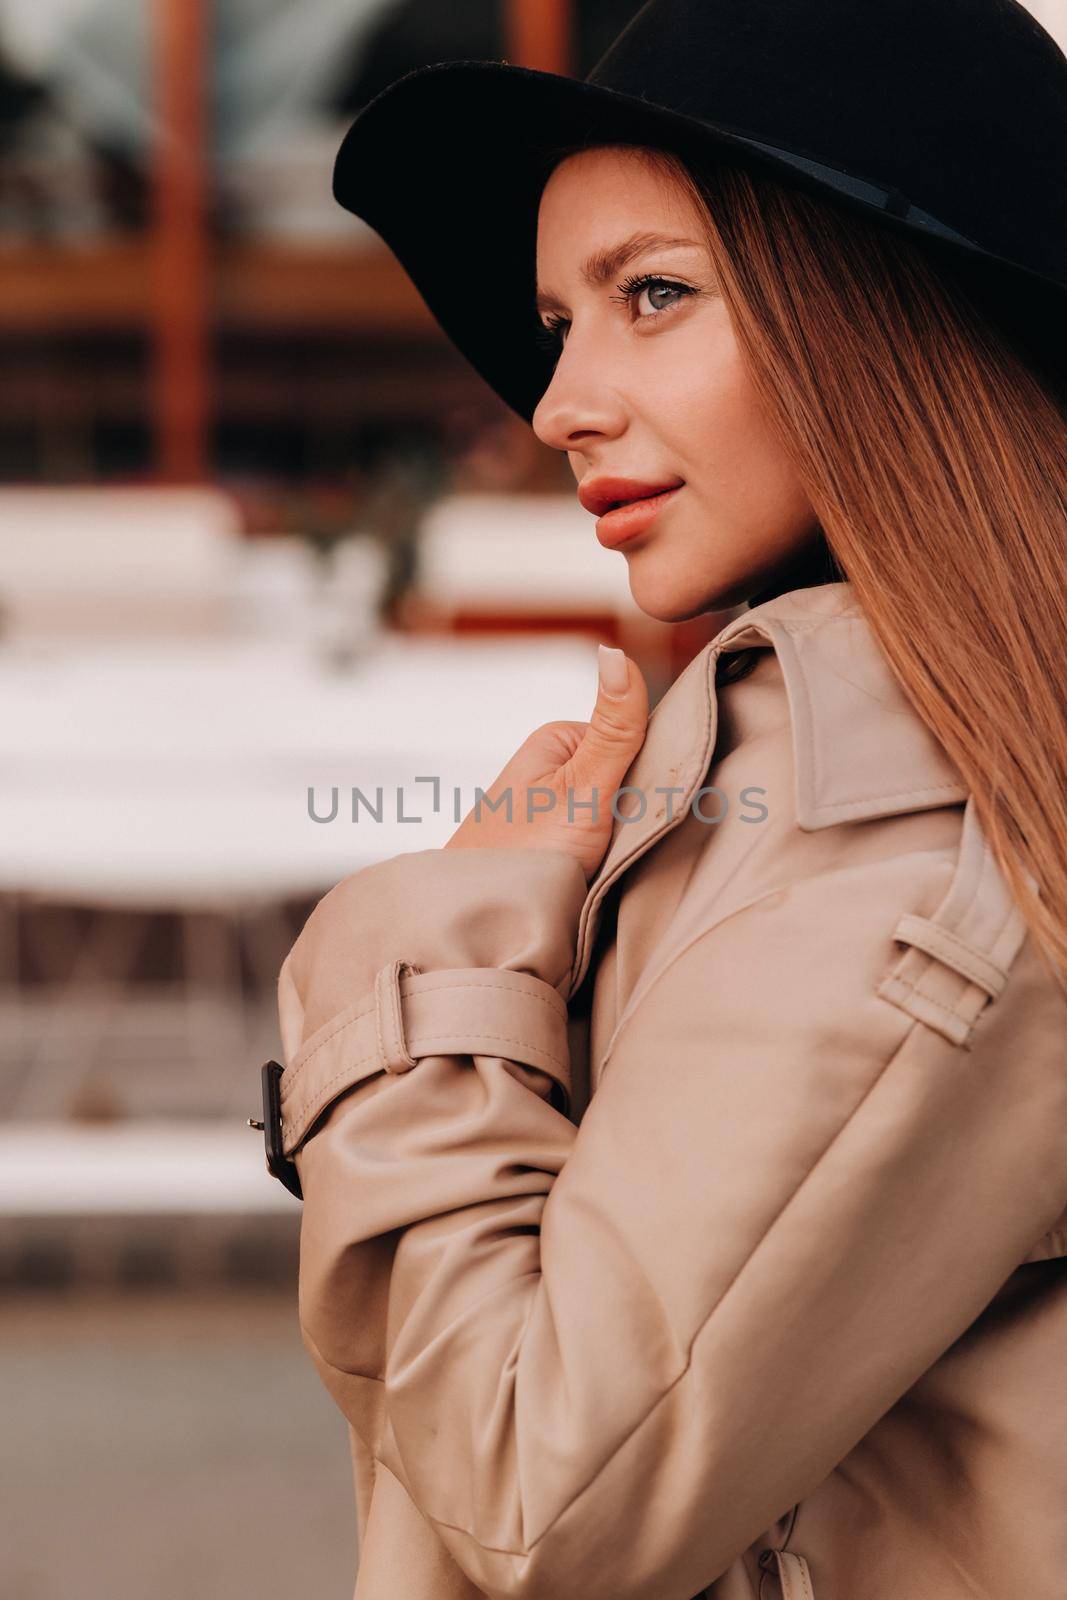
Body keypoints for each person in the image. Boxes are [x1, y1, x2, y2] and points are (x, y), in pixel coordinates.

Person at [261, 2, 1067, 1595]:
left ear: (884, 319)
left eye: (653, 295)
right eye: (562, 322)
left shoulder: (909, 825)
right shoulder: (861, 764)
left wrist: (435, 949)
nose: (560, 404)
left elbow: (541, 1497)